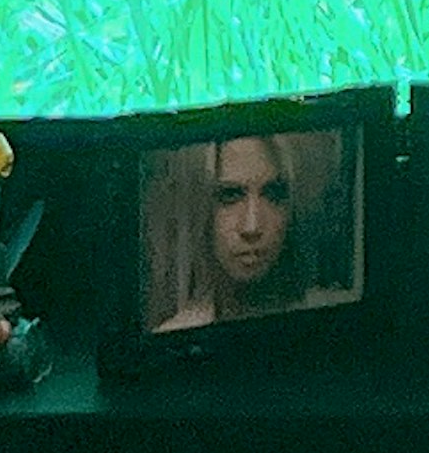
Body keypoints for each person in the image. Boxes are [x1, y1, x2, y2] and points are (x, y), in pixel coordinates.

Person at [145, 129, 355, 330]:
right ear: (202, 207)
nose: (251, 226)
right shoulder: (176, 336)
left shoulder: (342, 321)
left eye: (273, 194)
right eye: (230, 195)